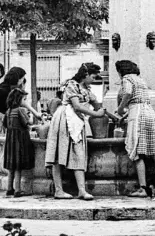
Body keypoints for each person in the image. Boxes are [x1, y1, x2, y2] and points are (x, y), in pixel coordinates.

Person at [45, 63, 116, 200]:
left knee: (79, 152)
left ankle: (81, 190)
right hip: (65, 119)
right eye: (93, 76)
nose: (94, 80)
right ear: (86, 74)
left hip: (78, 121)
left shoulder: (87, 90)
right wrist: (95, 115)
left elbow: (99, 107)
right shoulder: (72, 85)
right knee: (59, 153)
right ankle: (58, 190)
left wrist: (115, 117)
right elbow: (76, 106)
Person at [115, 60, 155, 197]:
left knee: (138, 153)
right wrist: (125, 115)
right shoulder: (140, 80)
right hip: (150, 112)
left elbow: (128, 93)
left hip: (138, 115)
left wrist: (120, 108)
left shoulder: (127, 78)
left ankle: (143, 189)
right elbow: (140, 99)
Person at [0, 67, 27, 162]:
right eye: (22, 78)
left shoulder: (11, 87)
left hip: (0, 116)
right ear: (17, 78)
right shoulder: (5, 87)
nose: (23, 80)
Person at [2, 88, 35, 197]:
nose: (25, 101)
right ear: (18, 99)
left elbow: (5, 125)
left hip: (10, 140)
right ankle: (18, 190)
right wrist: (30, 116)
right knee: (18, 167)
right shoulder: (21, 110)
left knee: (11, 167)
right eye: (24, 99)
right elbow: (27, 123)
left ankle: (9, 188)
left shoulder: (8, 111)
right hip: (20, 140)